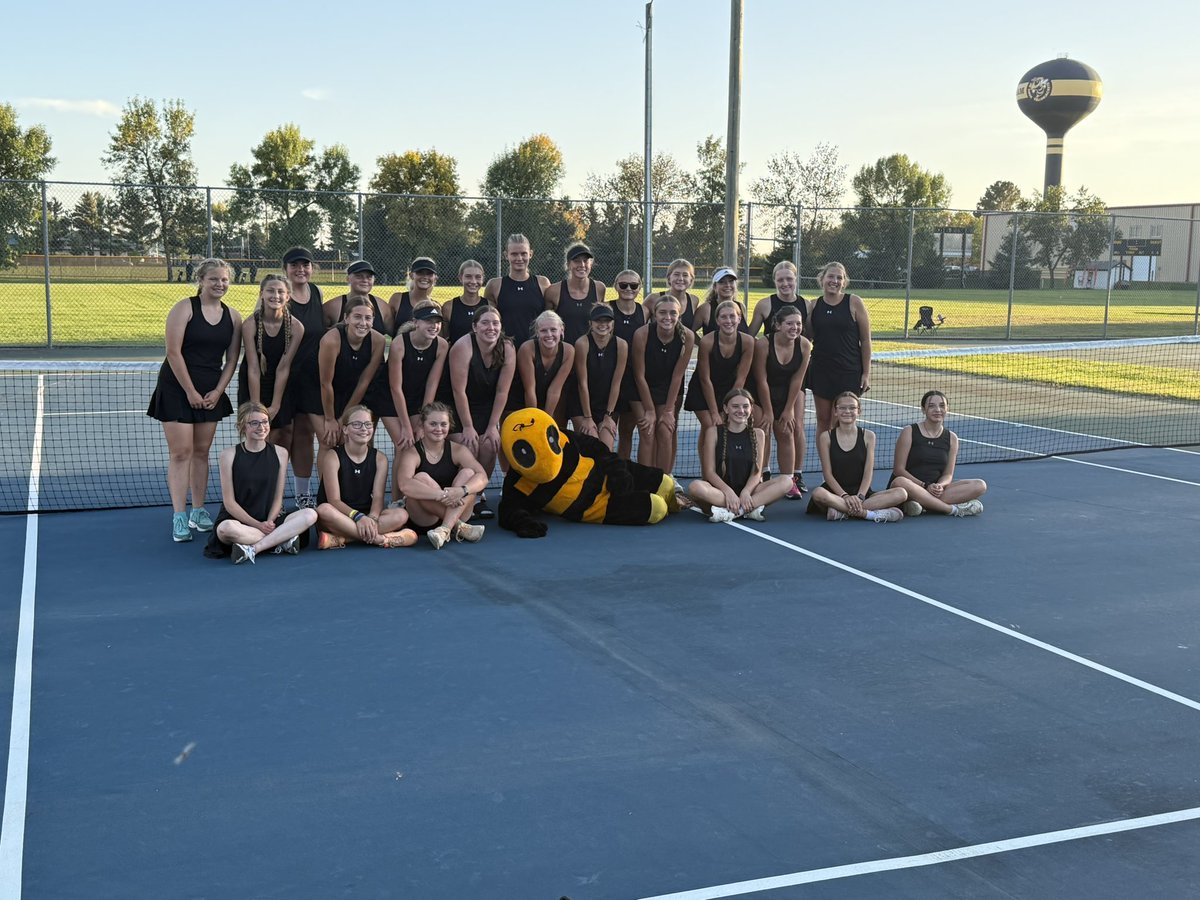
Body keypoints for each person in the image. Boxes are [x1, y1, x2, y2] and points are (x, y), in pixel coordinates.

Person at [147, 257, 242, 542]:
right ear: (201, 280)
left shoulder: (233, 316)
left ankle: (198, 510)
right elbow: (173, 352)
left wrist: (218, 391)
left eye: (224, 280)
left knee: (202, 452)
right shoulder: (184, 308)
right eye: (214, 279)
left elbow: (232, 359)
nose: (220, 284)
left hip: (211, 390)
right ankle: (179, 515)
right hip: (177, 388)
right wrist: (189, 391)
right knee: (181, 453)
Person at [205, 402, 318, 563]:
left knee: (310, 514)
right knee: (225, 529)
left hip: (269, 520)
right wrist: (257, 525)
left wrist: (269, 521)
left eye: (265, 422)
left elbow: (278, 498)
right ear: (243, 426)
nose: (261, 427)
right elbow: (229, 503)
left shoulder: (281, 453)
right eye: (254, 423)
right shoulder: (228, 455)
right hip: (240, 522)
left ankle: (254, 547)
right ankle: (281, 540)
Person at [314, 405, 417, 549]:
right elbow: (334, 501)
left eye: (368, 424)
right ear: (345, 430)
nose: (363, 428)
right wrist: (358, 517)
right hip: (339, 515)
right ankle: (382, 539)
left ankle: (344, 538)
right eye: (356, 424)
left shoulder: (380, 458)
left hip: (366, 515)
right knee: (324, 510)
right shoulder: (333, 456)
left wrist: (372, 519)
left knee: (401, 515)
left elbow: (378, 498)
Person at [448, 305, 516, 519]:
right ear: (474, 327)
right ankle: (457, 497)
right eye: (485, 323)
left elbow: (502, 391)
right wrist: (467, 426)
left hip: (487, 409)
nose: (491, 327)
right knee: (469, 446)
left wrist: (492, 427)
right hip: (459, 408)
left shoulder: (507, 348)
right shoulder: (462, 346)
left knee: (489, 445)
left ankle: (477, 496)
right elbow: (458, 391)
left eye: (495, 323)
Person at [687, 389, 791, 522]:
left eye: (745, 406)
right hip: (720, 492)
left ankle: (736, 511)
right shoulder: (713, 432)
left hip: (750, 492)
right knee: (695, 487)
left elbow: (756, 472)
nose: (741, 410)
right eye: (735, 406)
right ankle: (749, 508)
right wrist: (728, 492)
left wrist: (746, 492)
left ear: (751, 408)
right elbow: (709, 472)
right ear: (726, 409)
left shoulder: (758, 434)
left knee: (787, 481)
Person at [395, 402, 489, 549]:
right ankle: (457, 526)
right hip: (425, 519)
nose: (438, 429)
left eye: (443, 424)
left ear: (449, 425)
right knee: (421, 478)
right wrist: (440, 495)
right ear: (423, 425)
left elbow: (482, 476)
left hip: (458, 510)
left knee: (469, 474)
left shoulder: (458, 450)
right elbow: (404, 485)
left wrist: (462, 490)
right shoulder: (412, 452)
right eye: (433, 424)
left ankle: (445, 529)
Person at [807, 392, 906, 522]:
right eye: (842, 408)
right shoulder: (826, 437)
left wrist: (859, 497)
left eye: (852, 408)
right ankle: (869, 514)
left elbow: (867, 473)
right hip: (835, 493)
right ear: (835, 411)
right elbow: (828, 475)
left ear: (859, 411)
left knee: (901, 493)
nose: (847, 411)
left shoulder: (869, 436)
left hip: (862, 493)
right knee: (818, 493)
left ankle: (842, 512)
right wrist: (845, 496)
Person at [385, 302, 449, 498]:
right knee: (403, 445)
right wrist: (406, 425)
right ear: (416, 323)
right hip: (388, 398)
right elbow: (395, 388)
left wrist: (422, 421)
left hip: (418, 399)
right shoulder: (399, 343)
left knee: (417, 444)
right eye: (428, 321)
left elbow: (432, 384)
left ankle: (414, 497)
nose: (434, 326)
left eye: (437, 322)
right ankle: (396, 501)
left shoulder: (442, 345)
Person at [889, 390, 987, 517]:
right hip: (909, 486)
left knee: (980, 485)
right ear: (923, 410)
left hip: (936, 491)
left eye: (942, 406)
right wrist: (925, 485)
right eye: (931, 406)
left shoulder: (952, 438)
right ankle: (952, 509)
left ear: (947, 409)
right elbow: (899, 470)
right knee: (900, 481)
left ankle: (922, 504)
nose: (937, 410)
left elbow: (948, 474)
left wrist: (939, 486)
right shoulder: (909, 431)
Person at [630, 294, 695, 472]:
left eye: (673, 313)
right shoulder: (642, 334)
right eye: (662, 313)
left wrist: (668, 411)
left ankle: (664, 481)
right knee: (647, 430)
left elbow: (677, 376)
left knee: (666, 431)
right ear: (655, 314)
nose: (668, 317)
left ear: (679, 315)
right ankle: (644, 481)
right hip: (640, 388)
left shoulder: (687, 337)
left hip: (667, 389)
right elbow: (639, 375)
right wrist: (650, 410)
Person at [281, 246, 325, 508]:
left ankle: (302, 495)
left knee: (306, 434)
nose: (300, 270)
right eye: (294, 265)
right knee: (282, 436)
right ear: (285, 268)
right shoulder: (278, 295)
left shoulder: (317, 293)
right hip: (282, 378)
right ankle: (270, 494)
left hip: (312, 378)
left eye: (305, 265)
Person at [238, 274, 304, 449]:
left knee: (279, 434)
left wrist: (275, 405)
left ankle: (275, 474)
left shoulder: (296, 327)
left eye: (281, 291)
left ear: (288, 296)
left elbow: (283, 368)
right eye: (270, 291)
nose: (276, 295)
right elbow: (253, 368)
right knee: (257, 435)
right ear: (261, 294)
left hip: (280, 384)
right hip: (253, 383)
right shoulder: (250, 325)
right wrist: (256, 407)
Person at [683, 298, 756, 456]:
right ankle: (706, 475)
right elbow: (705, 379)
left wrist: (729, 406)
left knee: (725, 429)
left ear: (739, 318)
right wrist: (716, 412)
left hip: (730, 389)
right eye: (723, 317)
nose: (728, 320)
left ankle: (721, 471)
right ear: (717, 320)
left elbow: (740, 379)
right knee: (710, 425)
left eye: (732, 316)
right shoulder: (707, 342)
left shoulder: (748, 342)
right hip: (703, 389)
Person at [754, 305, 812, 499]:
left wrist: (788, 410)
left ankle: (789, 481)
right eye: (789, 323)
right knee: (763, 430)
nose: (795, 327)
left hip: (786, 392)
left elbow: (798, 380)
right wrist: (769, 412)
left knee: (786, 432)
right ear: (777, 325)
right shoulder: (763, 344)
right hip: (759, 393)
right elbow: (760, 379)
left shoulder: (804, 345)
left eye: (798, 323)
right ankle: (760, 477)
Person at [808, 261, 871, 436]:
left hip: (849, 372)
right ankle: (826, 463)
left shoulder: (854, 302)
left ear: (844, 282)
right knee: (824, 420)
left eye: (839, 277)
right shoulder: (813, 306)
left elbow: (865, 340)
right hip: (821, 371)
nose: (834, 281)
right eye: (831, 276)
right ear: (822, 279)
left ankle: (841, 463)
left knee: (842, 421)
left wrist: (866, 373)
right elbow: (807, 338)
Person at [314, 296, 384, 451]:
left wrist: (344, 419)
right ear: (346, 318)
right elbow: (325, 383)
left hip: (354, 393)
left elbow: (364, 382)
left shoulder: (378, 340)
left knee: (357, 441)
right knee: (329, 441)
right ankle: (327, 476)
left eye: (368, 318)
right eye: (357, 317)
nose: (363, 323)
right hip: (323, 391)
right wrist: (331, 419)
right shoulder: (331, 340)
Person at [570, 304, 627, 450]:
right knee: (592, 448)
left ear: (613, 323)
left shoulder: (621, 345)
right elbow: (582, 383)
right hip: (582, 406)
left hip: (606, 405)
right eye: (598, 321)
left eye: (607, 321)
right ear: (590, 323)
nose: (603, 325)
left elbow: (616, 382)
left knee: (606, 450)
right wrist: (588, 418)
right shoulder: (582, 343)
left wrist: (608, 415)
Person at [608, 269, 647, 460]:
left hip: (634, 379)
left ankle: (623, 470)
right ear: (616, 286)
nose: (628, 289)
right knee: (607, 430)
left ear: (639, 288)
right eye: (623, 285)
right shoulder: (607, 309)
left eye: (633, 285)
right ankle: (604, 474)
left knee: (627, 432)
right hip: (609, 378)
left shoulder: (644, 311)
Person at [484, 233, 551, 344]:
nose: (519, 258)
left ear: (531, 254)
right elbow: (489, 321)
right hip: (505, 348)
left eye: (523, 254)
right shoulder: (494, 285)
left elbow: (549, 319)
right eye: (514, 254)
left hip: (535, 348)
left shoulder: (543, 283)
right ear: (506, 255)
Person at [514, 309, 574, 425]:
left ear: (561, 330)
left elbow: (554, 390)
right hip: (523, 400)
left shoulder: (569, 351)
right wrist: (535, 420)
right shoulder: (527, 349)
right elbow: (530, 389)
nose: (549, 335)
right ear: (537, 332)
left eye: (553, 330)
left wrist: (546, 421)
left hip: (550, 400)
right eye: (543, 331)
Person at [543, 242, 607, 345]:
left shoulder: (599, 288)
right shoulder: (554, 291)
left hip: (590, 350)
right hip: (563, 350)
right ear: (568, 265)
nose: (582, 265)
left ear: (590, 264)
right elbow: (546, 324)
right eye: (576, 261)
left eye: (585, 261)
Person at [748, 260, 808, 338]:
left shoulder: (806, 305)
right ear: (775, 281)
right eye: (780, 280)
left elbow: (809, 337)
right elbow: (749, 336)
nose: (785, 283)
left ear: (795, 279)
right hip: (771, 350)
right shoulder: (764, 305)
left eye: (789, 279)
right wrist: (762, 345)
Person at [643, 258, 698, 335]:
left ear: (691, 280)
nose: (680, 278)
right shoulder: (653, 299)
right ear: (669, 278)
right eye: (676, 274)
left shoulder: (693, 300)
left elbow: (692, 332)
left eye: (685, 275)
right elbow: (640, 324)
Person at [693, 267, 750, 335]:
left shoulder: (741, 307)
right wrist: (704, 344)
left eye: (731, 281)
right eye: (722, 282)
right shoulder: (706, 309)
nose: (727, 285)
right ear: (714, 286)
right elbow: (691, 332)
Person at [442, 259, 488, 344]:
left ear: (483, 278)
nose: (473, 281)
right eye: (468, 276)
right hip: (457, 355)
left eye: (478, 277)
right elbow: (444, 339)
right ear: (460, 278)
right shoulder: (449, 307)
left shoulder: (489, 306)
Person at [388, 257, 438, 333]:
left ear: (435, 278)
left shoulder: (436, 307)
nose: (425, 277)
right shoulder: (397, 299)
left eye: (429, 273)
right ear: (411, 275)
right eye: (420, 272)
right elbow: (388, 329)